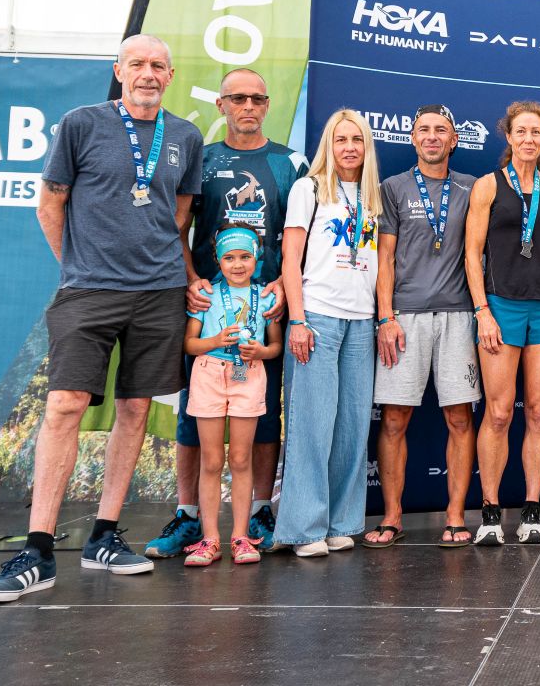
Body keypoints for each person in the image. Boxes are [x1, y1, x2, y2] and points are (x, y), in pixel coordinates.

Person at [0, 35, 203, 604]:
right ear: (119, 71)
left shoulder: (185, 136)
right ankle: (38, 550)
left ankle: (104, 535)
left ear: (170, 75)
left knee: (135, 408)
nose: (147, 74)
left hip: (159, 293)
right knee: (65, 405)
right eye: (137, 64)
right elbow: (50, 204)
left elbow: (179, 214)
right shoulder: (81, 123)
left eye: (157, 66)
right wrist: (78, 267)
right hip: (89, 290)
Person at [146, 68, 305, 559]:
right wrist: (191, 277)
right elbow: (176, 226)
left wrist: (284, 284)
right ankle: (189, 516)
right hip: (207, 308)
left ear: (268, 103)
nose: (248, 107)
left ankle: (259, 511)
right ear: (221, 105)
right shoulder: (203, 159)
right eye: (238, 98)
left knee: (263, 415)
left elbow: (304, 234)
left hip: (266, 308)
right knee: (196, 416)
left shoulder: (291, 163)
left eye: (257, 98)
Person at [365, 105, 481, 548]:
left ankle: (455, 516)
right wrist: (386, 317)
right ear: (413, 139)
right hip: (405, 317)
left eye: (441, 131)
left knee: (459, 417)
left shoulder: (472, 187)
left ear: (454, 140)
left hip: (458, 315)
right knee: (395, 418)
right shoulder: (392, 188)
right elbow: (385, 258)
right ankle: (392, 516)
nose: (432, 137)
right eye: (424, 130)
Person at [273, 109, 382, 558]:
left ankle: (341, 522)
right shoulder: (310, 189)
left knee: (352, 428)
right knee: (312, 426)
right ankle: (304, 528)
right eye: (341, 140)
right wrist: (297, 320)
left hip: (362, 320)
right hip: (317, 316)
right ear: (329, 146)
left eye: (357, 139)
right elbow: (290, 259)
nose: (349, 148)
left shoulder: (373, 195)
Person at [465, 101, 540, 546]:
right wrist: (482, 311)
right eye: (520, 131)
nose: (528, 139)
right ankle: (490, 513)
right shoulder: (488, 186)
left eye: (536, 132)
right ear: (508, 137)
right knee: (500, 412)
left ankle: (531, 512)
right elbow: (472, 254)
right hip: (500, 308)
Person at [181, 228, 283, 567]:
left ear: (257, 258)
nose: (237, 264)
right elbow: (189, 344)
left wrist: (262, 351)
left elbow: (276, 346)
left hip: (249, 375)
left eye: (245, 257)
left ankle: (240, 536)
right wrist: (215, 341)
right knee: (211, 461)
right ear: (217, 260)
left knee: (240, 459)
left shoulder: (265, 296)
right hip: (209, 373)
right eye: (229, 258)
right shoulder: (206, 295)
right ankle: (210, 539)